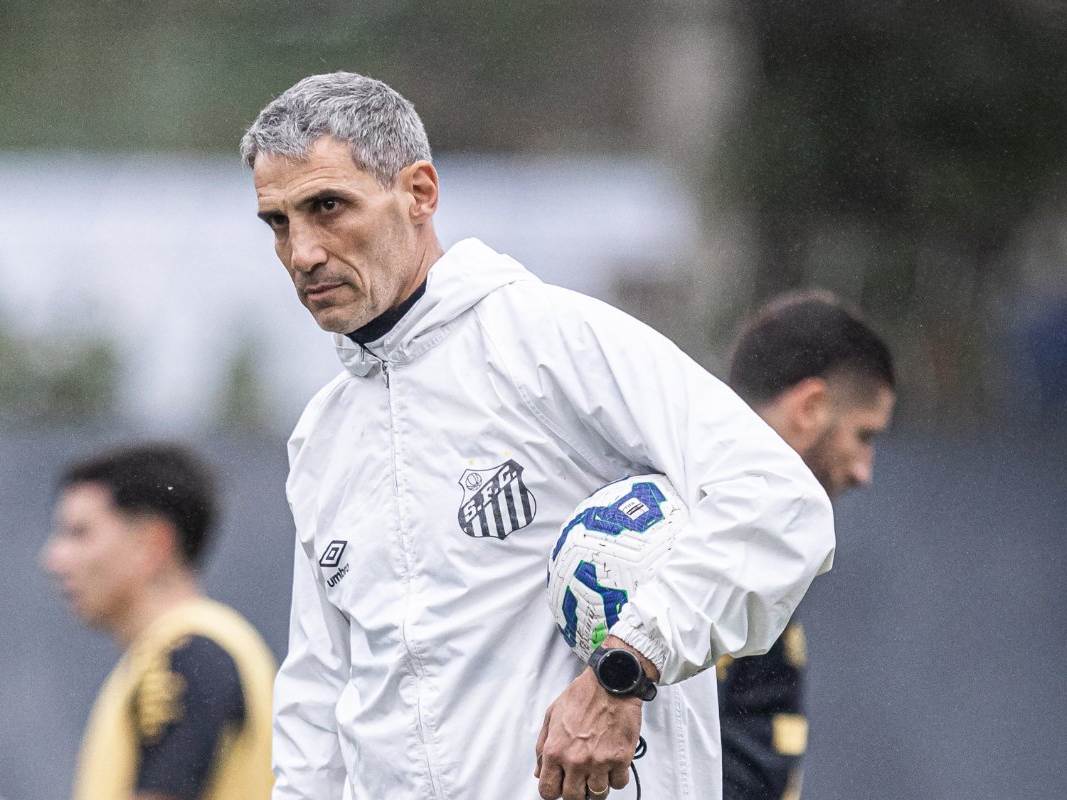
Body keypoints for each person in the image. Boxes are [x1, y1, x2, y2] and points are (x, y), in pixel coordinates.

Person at [241, 71, 835, 800]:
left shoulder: (551, 341)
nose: (301, 252)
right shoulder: (322, 437)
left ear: (419, 193)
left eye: (327, 207)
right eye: (278, 221)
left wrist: (627, 667)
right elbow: (319, 699)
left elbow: (780, 503)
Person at [0, 443, 277, 800]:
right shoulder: (186, 651)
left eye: (79, 533)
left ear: (152, 544)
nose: (53, 559)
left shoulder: (186, 652)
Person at [719, 290, 897, 799]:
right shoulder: (655, 539)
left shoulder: (762, 552)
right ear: (810, 407)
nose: (864, 472)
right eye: (864, 435)